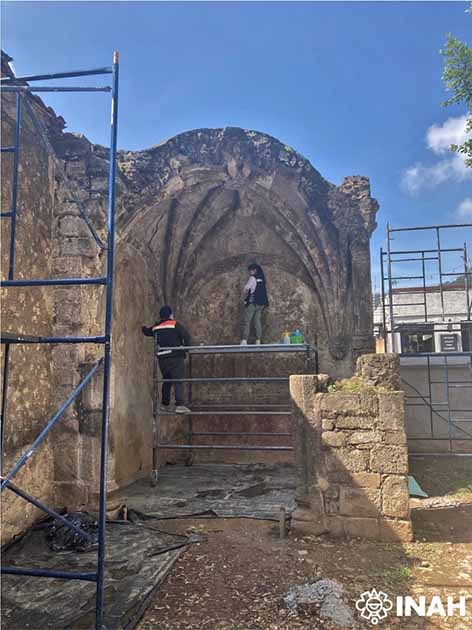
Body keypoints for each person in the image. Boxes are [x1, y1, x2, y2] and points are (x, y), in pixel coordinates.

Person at [142, 305, 192, 414]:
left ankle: (164, 404)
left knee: (167, 380)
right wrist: (188, 348)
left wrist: (142, 327)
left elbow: (147, 331)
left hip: (163, 359)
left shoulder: (157, 327)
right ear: (170, 315)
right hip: (175, 357)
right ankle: (179, 405)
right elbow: (186, 337)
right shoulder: (174, 324)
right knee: (177, 380)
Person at [241, 263, 269, 345]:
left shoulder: (252, 278)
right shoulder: (262, 279)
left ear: (255, 270)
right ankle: (258, 340)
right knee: (257, 321)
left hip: (252, 302)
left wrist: (245, 294)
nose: (249, 272)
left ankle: (244, 340)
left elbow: (246, 288)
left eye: (250, 270)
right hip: (261, 304)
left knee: (247, 321)